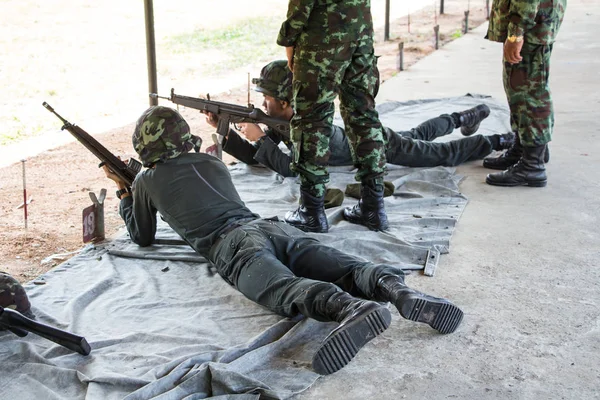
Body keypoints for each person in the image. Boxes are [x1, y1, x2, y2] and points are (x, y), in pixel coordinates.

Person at [103, 106, 464, 375]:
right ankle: (397, 290)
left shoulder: (145, 181)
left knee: (283, 287)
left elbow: (143, 236)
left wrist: (124, 195)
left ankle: (350, 309)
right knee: (342, 265)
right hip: (272, 228)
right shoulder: (211, 162)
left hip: (232, 245)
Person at [206, 60, 512, 180]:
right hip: (366, 136)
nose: (262, 103)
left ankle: (499, 141)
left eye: (267, 99)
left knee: (439, 155)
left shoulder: (310, 126)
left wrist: (259, 137)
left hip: (374, 146)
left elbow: (290, 168)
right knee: (417, 133)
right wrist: (225, 131)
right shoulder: (284, 121)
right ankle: (461, 116)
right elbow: (256, 158)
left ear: (284, 102)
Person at [277, 1, 390, 233]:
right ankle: (374, 206)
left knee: (312, 120)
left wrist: (288, 39)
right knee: (363, 113)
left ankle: (311, 210)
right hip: (360, 31)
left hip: (323, 33)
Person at [484, 0, 567, 187]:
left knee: (530, 94)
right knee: (520, 91)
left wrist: (516, 33)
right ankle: (526, 148)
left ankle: (532, 166)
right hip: (536, 21)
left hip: (531, 24)